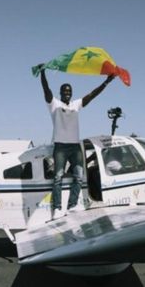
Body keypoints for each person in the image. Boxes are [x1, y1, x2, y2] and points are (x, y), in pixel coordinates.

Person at [38, 65, 115, 220]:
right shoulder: (55, 105)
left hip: (75, 147)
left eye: (69, 91)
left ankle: (72, 205)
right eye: (64, 91)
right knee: (58, 177)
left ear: (71, 94)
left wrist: (107, 82)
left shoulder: (76, 105)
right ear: (61, 93)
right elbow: (46, 91)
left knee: (79, 176)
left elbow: (92, 95)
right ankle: (58, 209)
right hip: (60, 147)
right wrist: (43, 73)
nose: (67, 93)